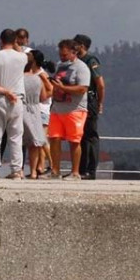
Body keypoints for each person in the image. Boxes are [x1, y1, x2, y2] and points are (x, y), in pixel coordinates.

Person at [0, 29, 28, 179]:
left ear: (0, 41)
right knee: (16, 136)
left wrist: (4, 90)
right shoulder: (22, 58)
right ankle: (16, 170)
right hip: (17, 99)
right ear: (15, 41)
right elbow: (20, 51)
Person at [48, 39, 91, 180]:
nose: (62, 57)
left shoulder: (82, 68)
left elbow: (82, 88)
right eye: (61, 54)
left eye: (65, 55)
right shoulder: (60, 65)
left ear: (74, 52)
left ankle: (75, 172)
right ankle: (55, 170)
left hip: (75, 109)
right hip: (57, 108)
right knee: (54, 138)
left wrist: (63, 88)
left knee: (74, 141)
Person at [74, 34, 106, 180]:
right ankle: (79, 169)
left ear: (81, 45)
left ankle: (90, 169)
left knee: (90, 135)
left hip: (89, 99)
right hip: (77, 100)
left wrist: (99, 102)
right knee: (79, 136)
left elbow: (100, 84)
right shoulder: (75, 61)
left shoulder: (90, 61)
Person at [23, 50, 53, 179]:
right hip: (34, 108)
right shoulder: (32, 74)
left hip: (41, 109)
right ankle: (39, 167)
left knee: (42, 139)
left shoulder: (41, 74)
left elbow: (50, 89)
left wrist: (40, 97)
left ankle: (52, 164)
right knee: (36, 140)